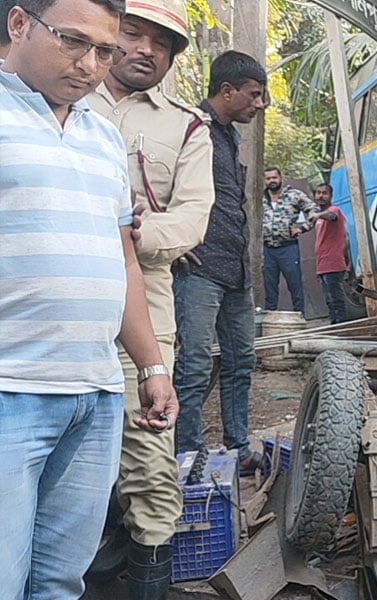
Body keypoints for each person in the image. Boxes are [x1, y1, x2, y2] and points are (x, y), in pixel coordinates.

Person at [0, 0, 178, 598]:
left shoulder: (102, 136)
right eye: (73, 41)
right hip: (10, 389)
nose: (90, 64)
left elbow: (122, 257)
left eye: (104, 50)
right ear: (20, 24)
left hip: (93, 396)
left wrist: (151, 366)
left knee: (59, 582)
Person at [84, 0, 215, 594]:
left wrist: (135, 230)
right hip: (47, 306)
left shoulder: (185, 126)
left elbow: (193, 217)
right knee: (60, 445)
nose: (145, 49)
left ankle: (148, 574)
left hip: (147, 307)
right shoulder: (47, 96)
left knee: (149, 455)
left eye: (160, 44)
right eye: (132, 35)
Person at [173, 50, 267, 476]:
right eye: (254, 95)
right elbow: (152, 184)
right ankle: (189, 456)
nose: (259, 104)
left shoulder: (230, 136)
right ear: (226, 91)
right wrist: (171, 240)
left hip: (235, 269)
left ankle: (238, 447)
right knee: (193, 365)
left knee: (240, 362)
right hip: (199, 269)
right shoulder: (188, 127)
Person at [261, 167, 315, 313]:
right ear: (264, 180)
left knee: (294, 283)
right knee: (269, 285)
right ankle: (270, 319)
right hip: (267, 249)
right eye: (268, 178)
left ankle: (299, 315)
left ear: (281, 178)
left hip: (288, 247)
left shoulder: (294, 195)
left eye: (274, 177)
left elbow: (313, 210)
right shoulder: (260, 198)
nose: (272, 181)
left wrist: (302, 228)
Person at [307, 184, 349, 324]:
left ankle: (341, 326)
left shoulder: (333, 210)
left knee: (336, 298)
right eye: (318, 193)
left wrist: (318, 214)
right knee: (329, 301)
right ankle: (334, 325)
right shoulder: (319, 218)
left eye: (324, 193)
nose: (320, 195)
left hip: (333, 263)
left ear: (331, 196)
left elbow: (331, 216)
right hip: (323, 264)